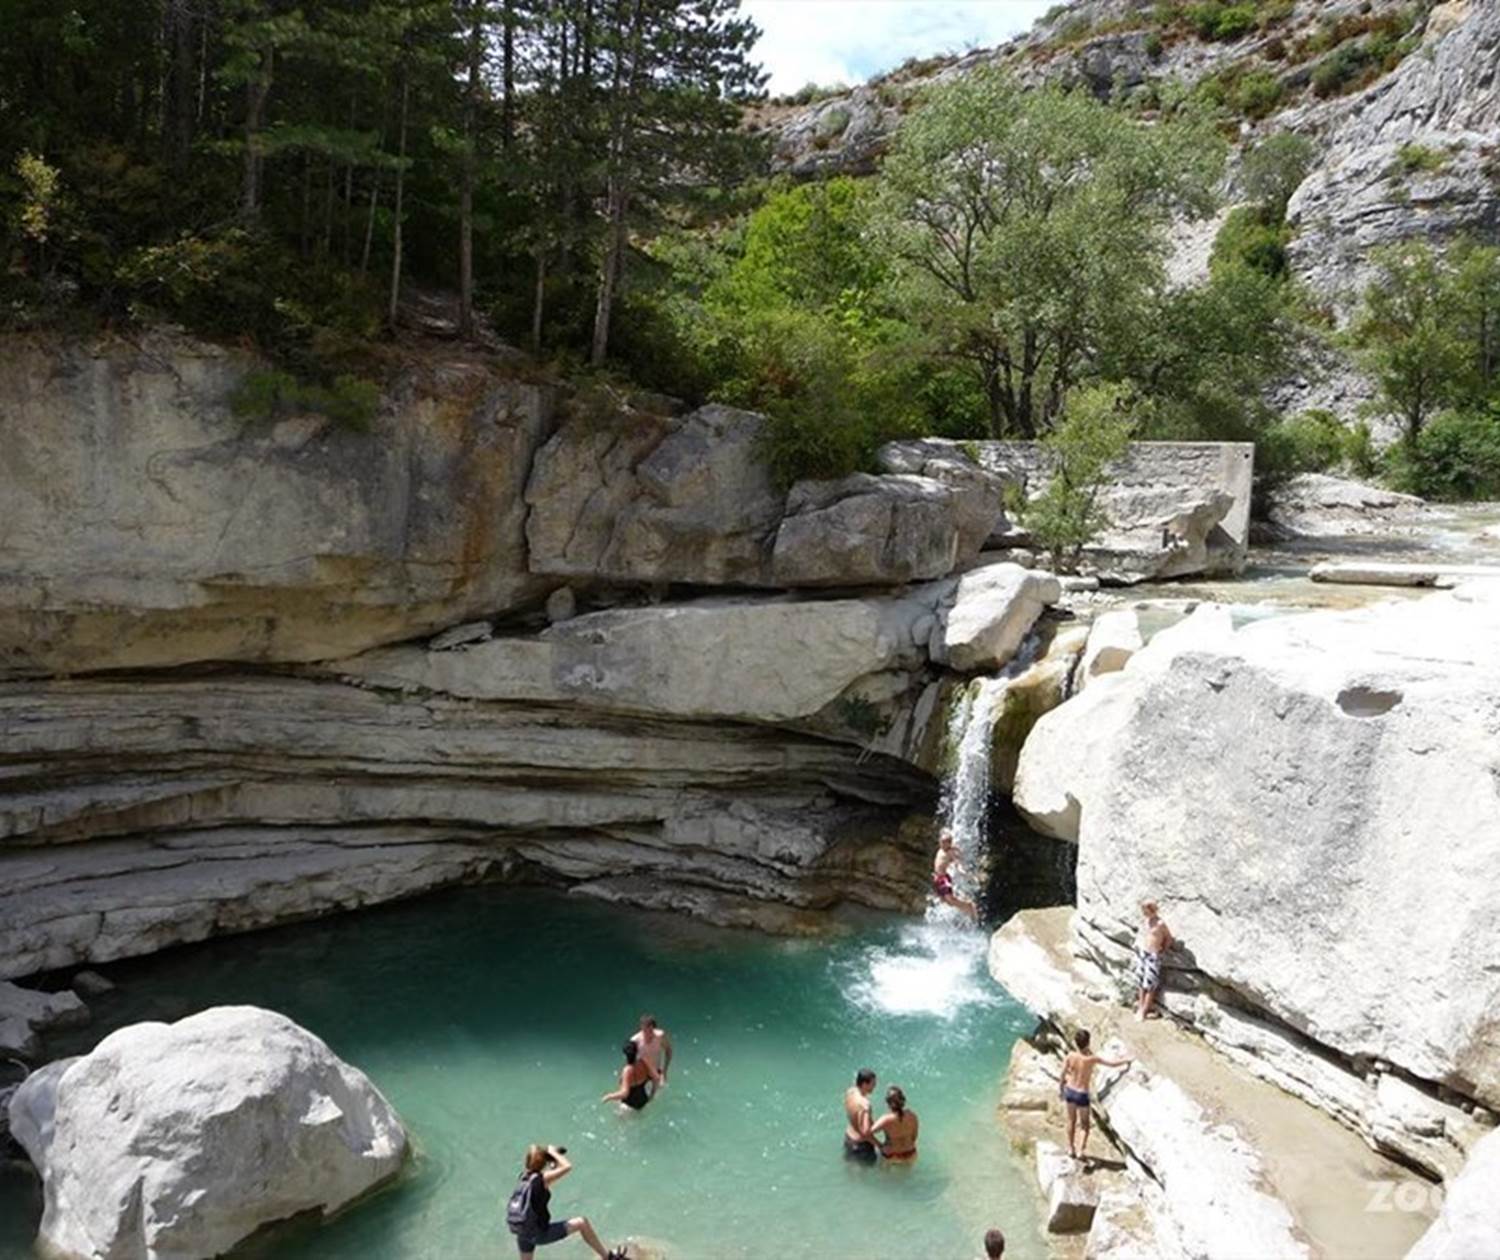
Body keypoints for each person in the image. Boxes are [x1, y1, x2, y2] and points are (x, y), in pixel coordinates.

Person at [505, 1144, 626, 1260]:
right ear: (543, 1162)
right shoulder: (543, 1179)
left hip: (522, 1233)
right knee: (581, 1223)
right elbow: (567, 1166)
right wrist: (553, 1152)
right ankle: (608, 1257)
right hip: (538, 1234)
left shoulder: (523, 1178)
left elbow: (547, 1177)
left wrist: (551, 1161)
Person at [1060, 1029, 1132, 1161]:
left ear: (1076, 1043)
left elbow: (1063, 1073)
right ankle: (1080, 1151)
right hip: (1082, 1094)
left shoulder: (1070, 1056)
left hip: (1070, 1090)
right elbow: (1111, 1064)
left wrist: (1061, 1090)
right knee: (1085, 1125)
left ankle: (1070, 1148)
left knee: (1071, 1121)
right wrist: (1125, 1060)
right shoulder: (1092, 1059)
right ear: (1088, 1043)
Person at [1135, 900, 1174, 1021]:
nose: (1144, 913)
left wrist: (1162, 950)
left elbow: (1168, 938)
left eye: (1146, 911)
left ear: (1152, 910)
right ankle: (1141, 1007)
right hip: (1144, 953)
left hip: (1153, 955)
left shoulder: (1160, 924)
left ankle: (1144, 1011)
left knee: (1150, 985)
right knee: (1141, 981)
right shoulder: (1147, 921)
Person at [601, 1038, 661, 1111]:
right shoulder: (643, 1062)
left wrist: (609, 1096)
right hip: (643, 1100)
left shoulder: (627, 1070)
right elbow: (657, 1078)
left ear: (625, 1055)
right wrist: (652, 1094)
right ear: (637, 1052)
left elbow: (624, 1093)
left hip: (629, 1105)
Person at [932, 831, 978, 920]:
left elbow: (957, 864)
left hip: (944, 878)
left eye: (943, 843)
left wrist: (963, 872)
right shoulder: (942, 849)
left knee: (950, 899)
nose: (940, 844)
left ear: (948, 844)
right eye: (940, 842)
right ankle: (965, 908)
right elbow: (953, 844)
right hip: (937, 877)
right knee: (945, 901)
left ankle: (969, 906)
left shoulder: (950, 852)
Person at [871, 1085, 919, 1162]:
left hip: (892, 1155)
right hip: (910, 1153)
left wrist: (880, 1146)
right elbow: (914, 1136)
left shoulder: (886, 1119)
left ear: (888, 1102)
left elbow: (867, 1133)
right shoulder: (912, 1115)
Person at [630, 1014, 673, 1091]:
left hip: (656, 1071)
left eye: (650, 1031)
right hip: (642, 1073)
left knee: (661, 1090)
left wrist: (664, 1071)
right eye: (645, 1031)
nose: (647, 1034)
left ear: (653, 1028)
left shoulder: (660, 1036)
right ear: (641, 1028)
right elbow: (630, 1061)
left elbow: (668, 1051)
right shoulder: (635, 1040)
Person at [843, 1067, 878, 1162]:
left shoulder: (850, 1092)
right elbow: (865, 1132)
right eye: (873, 1084)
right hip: (862, 1146)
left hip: (849, 1139)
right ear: (864, 1084)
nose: (875, 1086)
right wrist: (880, 1145)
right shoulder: (864, 1104)